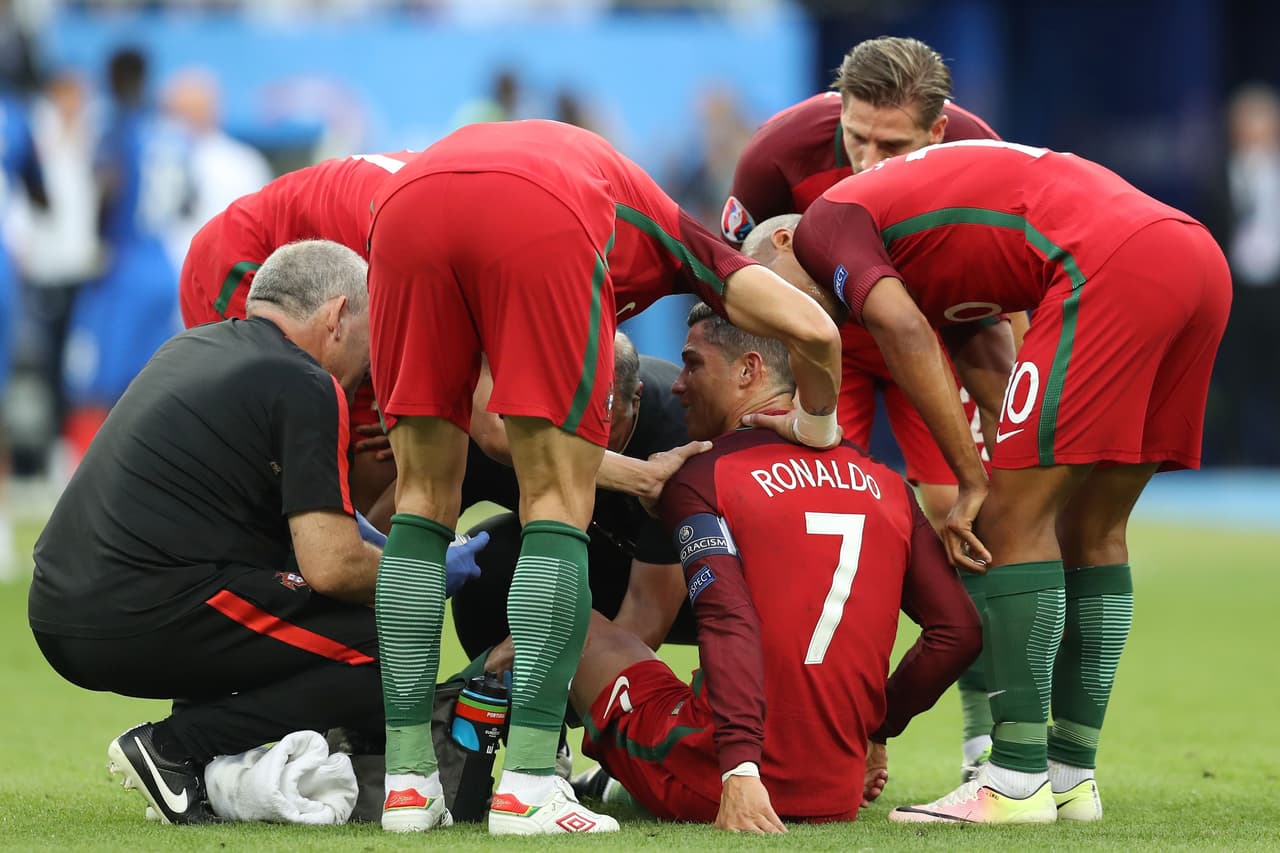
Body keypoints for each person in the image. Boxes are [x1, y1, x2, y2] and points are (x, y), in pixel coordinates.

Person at [365, 118, 842, 835]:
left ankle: (406, 781)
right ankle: (528, 780)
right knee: (555, 502)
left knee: (422, 503)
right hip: (544, 208)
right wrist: (820, 422)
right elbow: (817, 330)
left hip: (403, 205)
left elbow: (485, 413)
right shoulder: (683, 234)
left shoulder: (577, 178)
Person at [747, 139, 1231, 823]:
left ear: (788, 240)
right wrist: (1009, 464)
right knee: (1091, 526)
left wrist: (976, 479)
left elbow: (904, 330)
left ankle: (1013, 776)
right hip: (1192, 258)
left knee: (1006, 518)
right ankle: (1068, 776)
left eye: (771, 293)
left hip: (1109, 263)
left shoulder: (827, 221)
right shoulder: (923, 240)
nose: (786, 319)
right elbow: (984, 352)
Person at [27, 241, 465, 825]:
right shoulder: (307, 383)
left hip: (59, 605)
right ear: (336, 316)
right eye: (373, 329)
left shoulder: (191, 347)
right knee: (387, 645)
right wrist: (424, 573)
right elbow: (330, 566)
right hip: (135, 607)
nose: (372, 359)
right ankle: (174, 748)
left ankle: (208, 756)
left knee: (285, 607)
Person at [566, 302, 981, 832]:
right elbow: (959, 632)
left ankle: (535, 773)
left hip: (719, 777)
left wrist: (739, 769)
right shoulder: (887, 485)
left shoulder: (703, 476)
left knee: (564, 617)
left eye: (693, 364)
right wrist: (877, 728)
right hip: (838, 788)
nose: (677, 384)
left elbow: (725, 619)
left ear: (749, 370)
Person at [724, 36, 1003, 773]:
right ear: (837, 111)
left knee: (967, 520)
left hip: (933, 343)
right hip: (823, 345)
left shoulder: (979, 151)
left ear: (937, 132)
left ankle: (988, 739)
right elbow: (732, 284)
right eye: (857, 139)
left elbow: (1009, 300)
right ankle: (805, 735)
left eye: (894, 145)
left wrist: (1010, 424)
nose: (870, 163)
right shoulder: (774, 157)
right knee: (803, 525)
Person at [178, 149, 417, 520]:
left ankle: (352, 562)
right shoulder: (420, 218)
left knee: (387, 447)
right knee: (300, 428)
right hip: (249, 262)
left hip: (353, 287)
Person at [453, 332, 695, 664]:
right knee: (487, 555)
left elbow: (646, 616)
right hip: (588, 558)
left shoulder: (676, 439)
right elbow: (403, 530)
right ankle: (492, 699)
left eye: (602, 420)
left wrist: (553, 673)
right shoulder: (508, 431)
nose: (583, 436)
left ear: (635, 400)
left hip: (683, 588)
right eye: (569, 420)